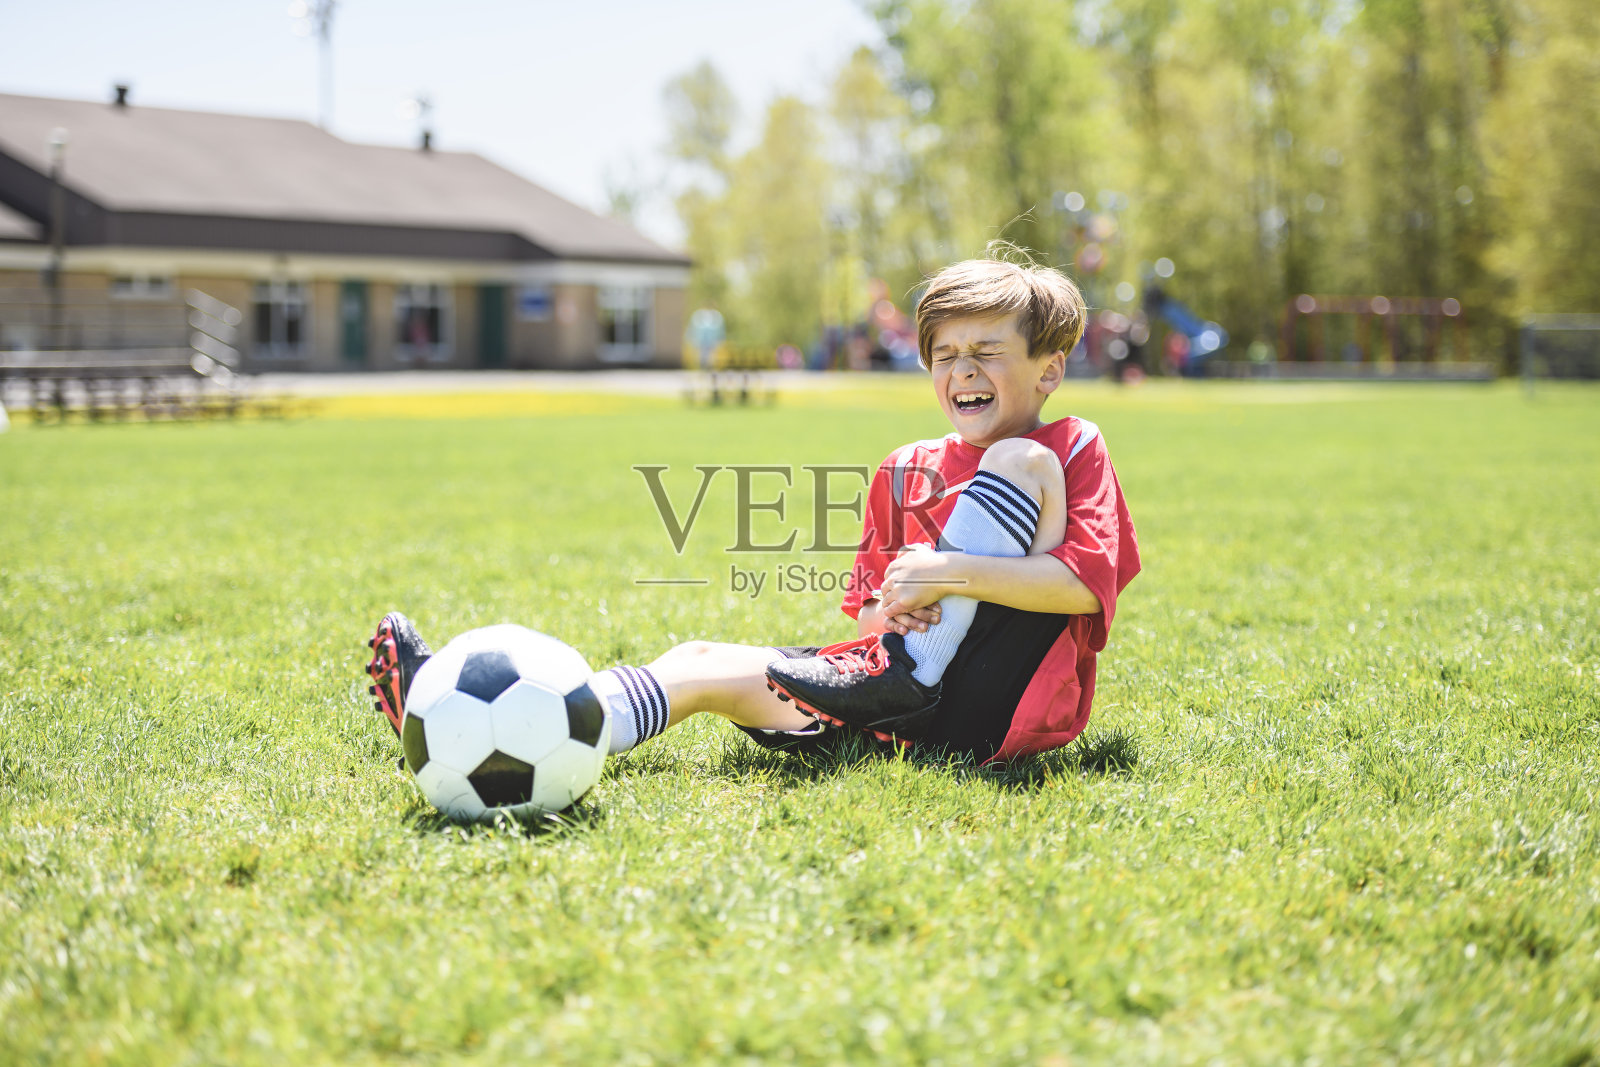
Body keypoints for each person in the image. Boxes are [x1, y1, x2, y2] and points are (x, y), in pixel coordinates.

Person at [366, 257, 1139, 766]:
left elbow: (1082, 587)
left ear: (1048, 370)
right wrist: (895, 610)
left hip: (992, 706)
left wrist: (946, 572)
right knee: (700, 662)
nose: (963, 371)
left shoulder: (1067, 446)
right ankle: (456, 713)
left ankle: (911, 676)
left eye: (988, 351)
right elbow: (871, 613)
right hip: (899, 708)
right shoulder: (907, 467)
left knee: (1018, 462)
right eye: (945, 355)